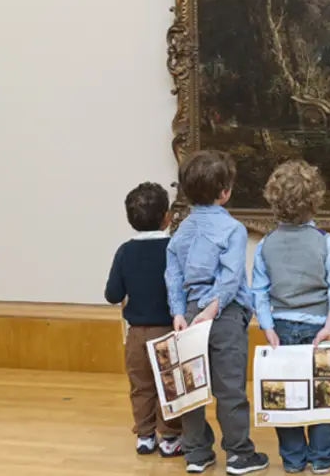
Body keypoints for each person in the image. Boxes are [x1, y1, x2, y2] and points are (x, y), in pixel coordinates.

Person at [165, 150, 269, 475]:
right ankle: (238, 454)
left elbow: (173, 276)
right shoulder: (234, 229)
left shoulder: (179, 232)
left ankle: (197, 453)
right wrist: (213, 309)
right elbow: (231, 276)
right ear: (225, 191)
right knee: (230, 386)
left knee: (191, 388)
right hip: (224, 315)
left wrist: (178, 313)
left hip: (190, 315)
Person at [250, 160, 330, 475]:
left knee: (284, 395)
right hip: (320, 328)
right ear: (314, 200)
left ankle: (293, 460)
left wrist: (267, 326)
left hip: (280, 327)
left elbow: (259, 291)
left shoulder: (265, 244)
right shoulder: (325, 241)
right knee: (322, 394)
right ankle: (323, 457)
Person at [104, 182, 183, 458]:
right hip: (169, 330)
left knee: (141, 386)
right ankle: (170, 437)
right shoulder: (174, 248)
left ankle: (145, 436)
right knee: (170, 386)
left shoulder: (125, 251)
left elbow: (112, 294)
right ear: (167, 216)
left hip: (136, 334)